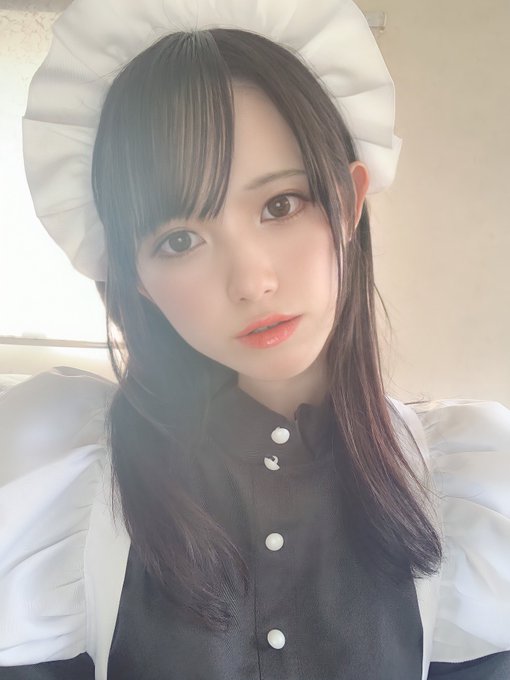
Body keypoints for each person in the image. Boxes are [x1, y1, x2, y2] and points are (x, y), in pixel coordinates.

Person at [1, 0, 509, 678]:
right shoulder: (61, 484)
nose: (250, 282)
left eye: (280, 204)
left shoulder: (469, 490)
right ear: (136, 279)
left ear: (348, 201)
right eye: (180, 240)